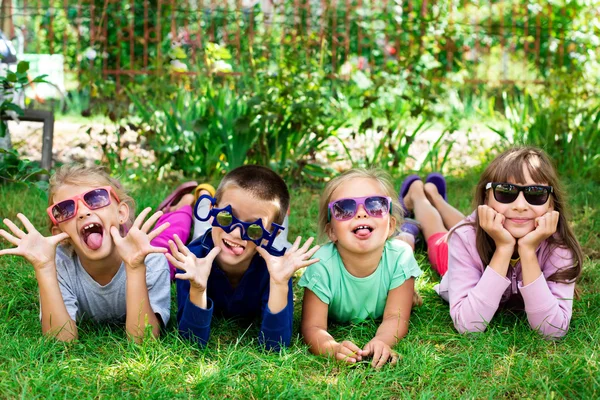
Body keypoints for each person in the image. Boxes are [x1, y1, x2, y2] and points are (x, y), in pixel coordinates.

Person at [400, 146, 583, 338]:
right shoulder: (464, 239)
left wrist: (527, 252)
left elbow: (552, 331)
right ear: (486, 199)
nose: (520, 206)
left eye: (535, 193)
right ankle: (418, 195)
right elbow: (469, 326)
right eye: (506, 192)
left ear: (551, 203)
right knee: (438, 235)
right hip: (462, 253)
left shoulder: (559, 246)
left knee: (469, 225)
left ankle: (435, 195)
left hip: (485, 228)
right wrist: (504, 248)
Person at [0, 165, 171, 342]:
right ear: (60, 234)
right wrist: (44, 268)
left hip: (153, 249)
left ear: (121, 213)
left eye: (96, 198)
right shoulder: (58, 263)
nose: (83, 212)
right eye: (66, 209)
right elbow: (61, 341)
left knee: (174, 229)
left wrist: (135, 268)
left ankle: (181, 204)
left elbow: (143, 340)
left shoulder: (151, 261)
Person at [166, 165, 319, 351]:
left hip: (261, 242)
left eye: (253, 228)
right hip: (212, 235)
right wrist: (198, 289)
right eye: (227, 217)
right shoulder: (193, 260)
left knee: (278, 235)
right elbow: (190, 343)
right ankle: (191, 199)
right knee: (200, 229)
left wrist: (279, 285)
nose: (237, 233)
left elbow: (275, 347)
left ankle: (271, 222)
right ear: (213, 210)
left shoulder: (275, 270)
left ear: (269, 234)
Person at [299, 168, 422, 369]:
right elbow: (313, 326)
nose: (361, 213)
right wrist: (331, 347)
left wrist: (382, 340)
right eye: (345, 208)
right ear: (331, 231)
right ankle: (411, 227)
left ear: (390, 225)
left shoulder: (400, 258)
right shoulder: (321, 265)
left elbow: (394, 317)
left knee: (405, 243)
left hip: (398, 248)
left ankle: (411, 227)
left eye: (375, 205)